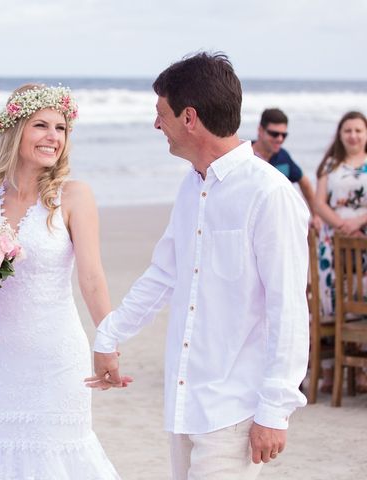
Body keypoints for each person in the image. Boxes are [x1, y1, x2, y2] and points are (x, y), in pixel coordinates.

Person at [86, 52, 309, 479]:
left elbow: (289, 309)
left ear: (189, 117)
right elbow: (163, 275)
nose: (156, 125)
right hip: (185, 402)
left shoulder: (269, 194)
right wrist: (109, 334)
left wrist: (276, 409)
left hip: (236, 410)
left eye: (161, 114)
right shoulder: (192, 187)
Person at [0, 84, 126, 479]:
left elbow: (91, 277)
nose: (54, 137)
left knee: (61, 453)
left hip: (58, 355)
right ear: (16, 128)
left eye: (61, 128)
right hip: (4, 357)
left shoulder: (74, 196)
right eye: (41, 125)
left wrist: (108, 344)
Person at [314, 110, 367, 393]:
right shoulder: (330, 165)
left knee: (362, 301)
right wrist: (341, 225)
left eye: (358, 130)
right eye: (348, 130)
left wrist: (357, 222)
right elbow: (320, 203)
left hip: (363, 239)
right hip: (333, 241)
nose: (353, 135)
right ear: (340, 134)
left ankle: (361, 370)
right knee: (331, 300)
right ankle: (329, 369)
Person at [252, 108, 322, 231]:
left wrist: (315, 215)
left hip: (279, 223)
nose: (279, 139)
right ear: (260, 131)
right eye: (274, 134)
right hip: (252, 222)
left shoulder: (283, 157)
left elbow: (304, 182)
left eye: (283, 135)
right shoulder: (245, 155)